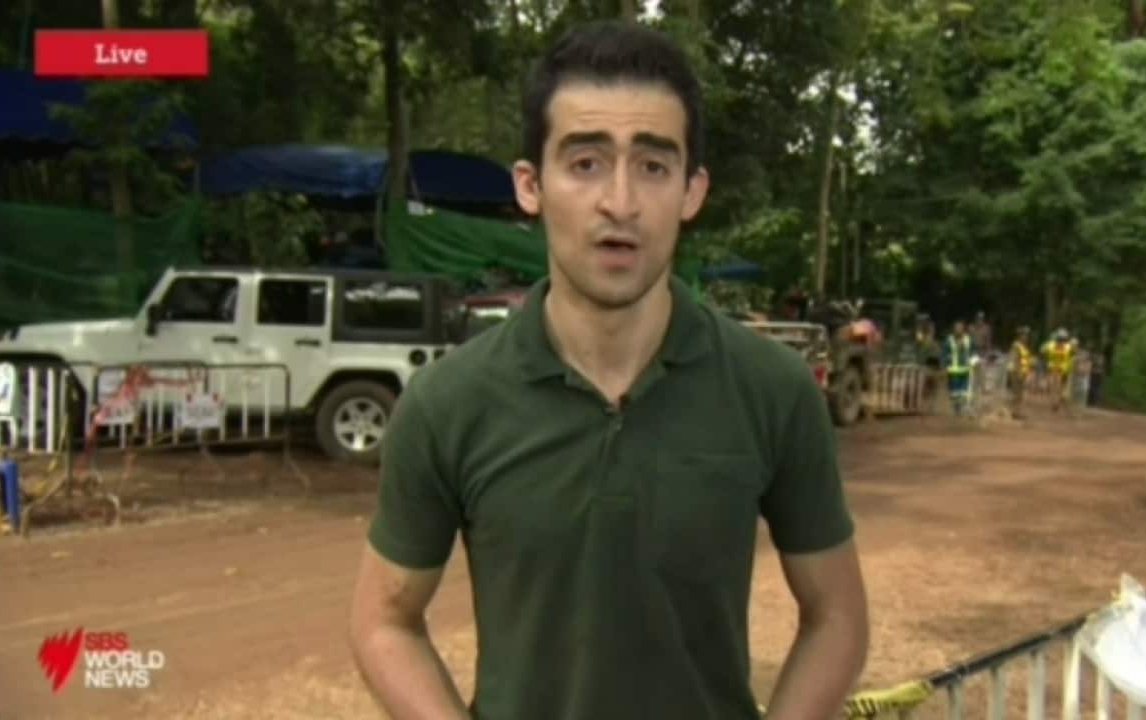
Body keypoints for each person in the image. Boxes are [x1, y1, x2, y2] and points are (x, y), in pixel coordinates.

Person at [347, 21, 869, 720]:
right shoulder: (448, 403)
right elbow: (384, 621)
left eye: (652, 165)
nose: (619, 201)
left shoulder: (773, 391)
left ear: (691, 190)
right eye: (586, 162)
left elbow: (837, 615)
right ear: (531, 186)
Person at [1041, 328, 1076, 413]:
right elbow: (1043, 351)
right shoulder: (1051, 345)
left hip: (1061, 369)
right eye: (1060, 339)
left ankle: (1057, 401)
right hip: (1053, 368)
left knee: (1057, 385)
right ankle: (1055, 402)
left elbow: (1073, 354)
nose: (1061, 341)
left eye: (1062, 339)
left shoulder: (1067, 346)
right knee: (1054, 385)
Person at [945, 320, 973, 415]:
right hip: (953, 370)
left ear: (963, 329)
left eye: (960, 328)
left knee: (964, 391)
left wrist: (974, 362)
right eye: (957, 328)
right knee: (954, 391)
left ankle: (962, 407)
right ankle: (956, 407)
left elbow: (973, 352)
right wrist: (944, 363)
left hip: (965, 369)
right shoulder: (949, 340)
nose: (958, 330)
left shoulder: (968, 339)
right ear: (954, 329)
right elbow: (944, 353)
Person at [1007, 326, 1033, 418]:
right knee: (1016, 393)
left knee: (1020, 394)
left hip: (1022, 373)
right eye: (1024, 335)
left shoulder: (1024, 347)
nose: (1026, 337)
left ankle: (1017, 411)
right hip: (1017, 373)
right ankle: (1014, 411)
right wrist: (1017, 372)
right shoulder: (1016, 346)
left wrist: (1027, 372)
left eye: (1026, 335)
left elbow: (1026, 360)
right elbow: (1014, 360)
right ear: (1020, 336)